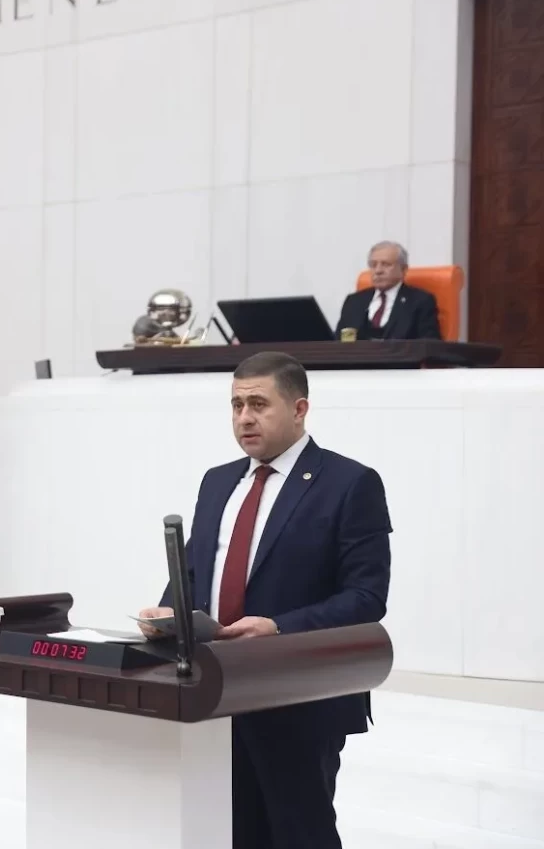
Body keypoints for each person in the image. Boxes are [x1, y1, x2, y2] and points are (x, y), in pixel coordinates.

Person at [137, 351, 390, 849]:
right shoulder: (218, 481)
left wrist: (278, 627)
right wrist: (169, 610)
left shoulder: (350, 483)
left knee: (300, 833)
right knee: (234, 832)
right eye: (236, 405)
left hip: (299, 694)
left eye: (258, 404)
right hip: (216, 688)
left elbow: (366, 598)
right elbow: (193, 571)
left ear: (299, 409)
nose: (244, 418)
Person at [335, 241, 441, 340]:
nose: (378, 271)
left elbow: (429, 344)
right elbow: (337, 343)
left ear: (403, 269)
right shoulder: (354, 301)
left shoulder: (420, 301)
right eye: (373, 265)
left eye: (386, 264)